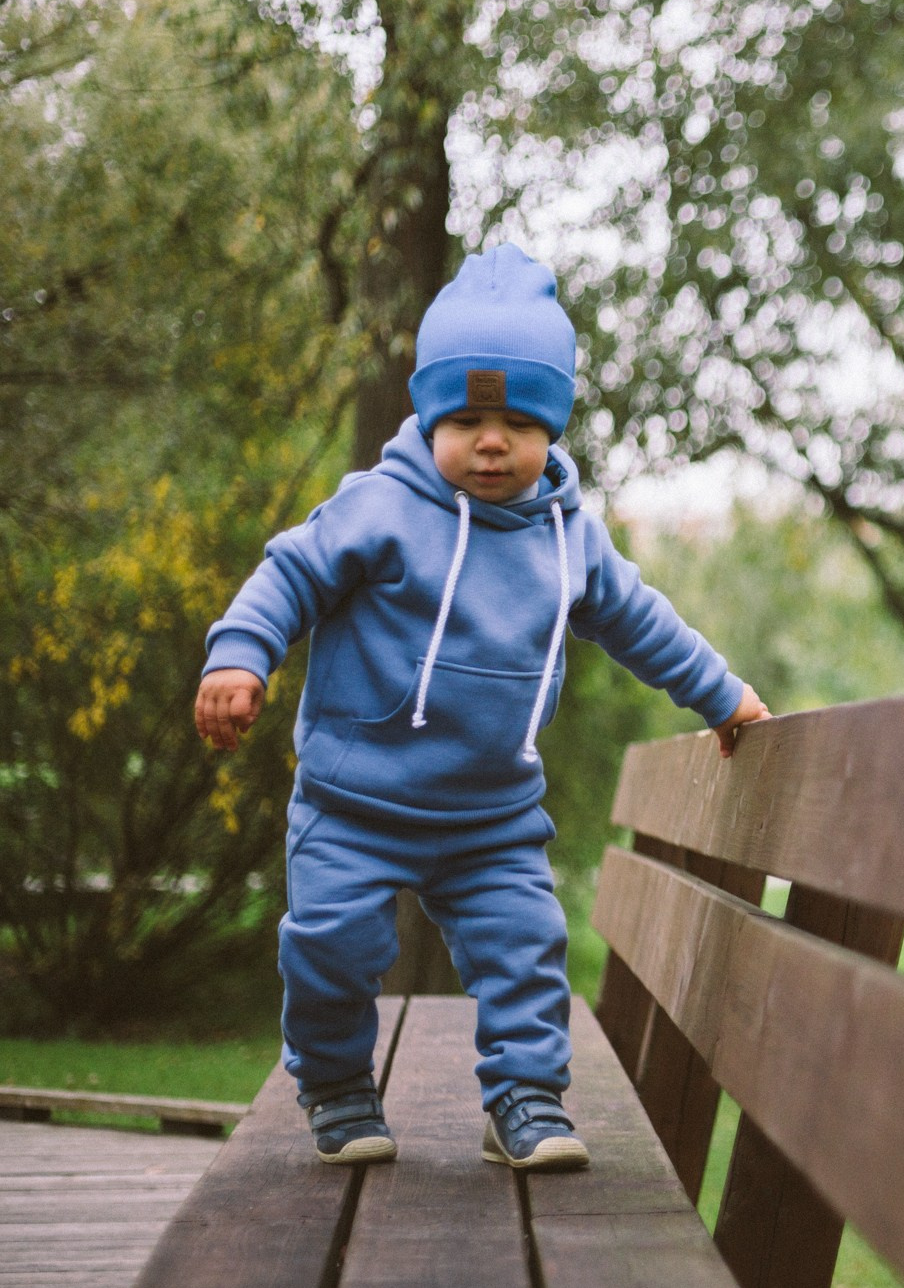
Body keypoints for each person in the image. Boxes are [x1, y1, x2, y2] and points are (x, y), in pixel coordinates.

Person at [192, 244, 768, 1172]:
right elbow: (289, 575)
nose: (490, 441)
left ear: (553, 428)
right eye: (464, 419)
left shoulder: (569, 538)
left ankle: (526, 1101)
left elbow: (641, 624)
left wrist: (725, 697)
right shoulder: (379, 507)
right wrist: (240, 654)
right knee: (330, 947)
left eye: (517, 422)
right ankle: (337, 1087)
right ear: (429, 417)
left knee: (527, 950)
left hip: (490, 816)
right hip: (355, 803)